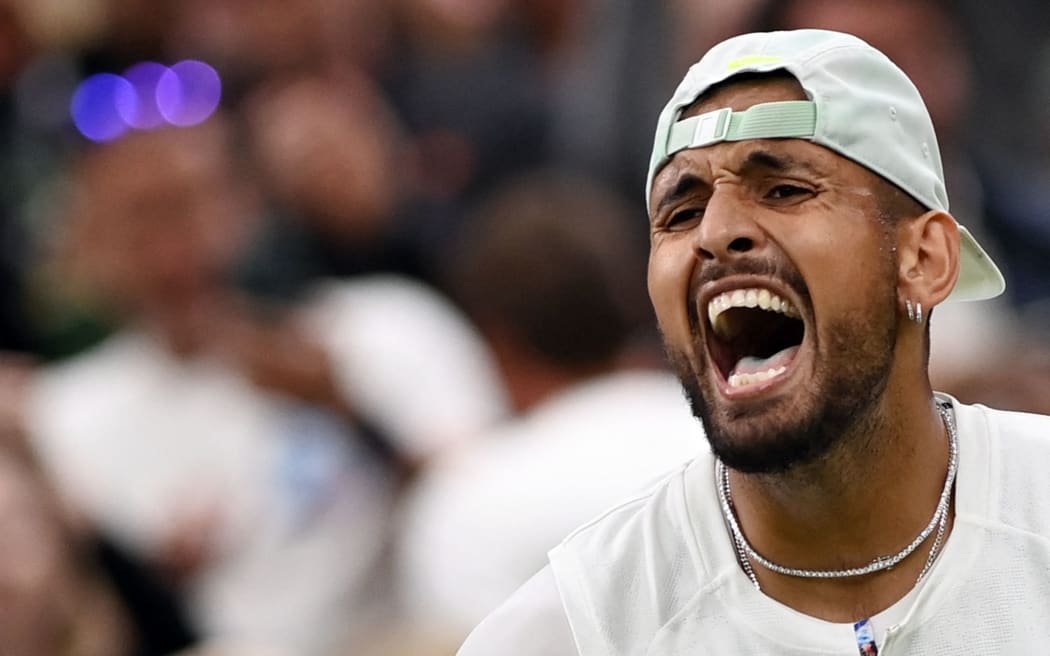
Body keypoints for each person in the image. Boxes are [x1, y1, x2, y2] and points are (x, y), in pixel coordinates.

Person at [459, 29, 1050, 654]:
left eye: (784, 190)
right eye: (680, 214)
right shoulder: (575, 630)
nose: (716, 232)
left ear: (924, 258)